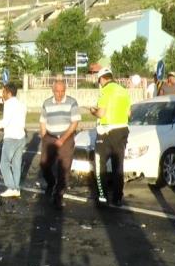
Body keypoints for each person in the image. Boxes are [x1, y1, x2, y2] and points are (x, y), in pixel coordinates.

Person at [90, 68, 131, 207]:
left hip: (107, 131)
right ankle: (118, 197)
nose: (99, 84)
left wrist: (92, 111)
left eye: (99, 81)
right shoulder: (123, 91)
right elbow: (129, 112)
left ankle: (102, 197)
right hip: (122, 130)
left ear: (102, 79)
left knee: (99, 164)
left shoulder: (105, 91)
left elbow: (101, 113)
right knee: (118, 165)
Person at [39, 80, 81, 208]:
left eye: (62, 91)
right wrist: (44, 135)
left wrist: (62, 139)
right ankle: (51, 183)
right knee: (44, 164)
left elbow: (74, 123)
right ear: (53, 90)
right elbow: (42, 121)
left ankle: (59, 194)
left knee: (64, 168)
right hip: (50, 137)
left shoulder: (72, 102)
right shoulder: (47, 103)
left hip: (66, 137)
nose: (60, 94)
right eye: (57, 91)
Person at [0, 84, 27, 198]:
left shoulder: (9, 104)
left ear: (9, 93)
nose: (2, 94)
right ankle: (16, 188)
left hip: (11, 137)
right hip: (21, 136)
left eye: (4, 92)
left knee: (4, 164)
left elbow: (6, 121)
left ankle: (11, 187)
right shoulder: (22, 104)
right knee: (16, 164)